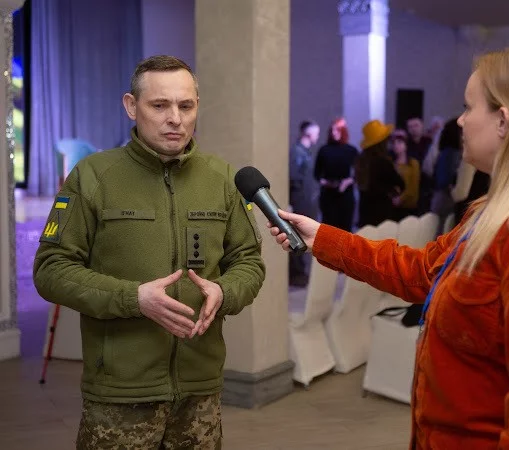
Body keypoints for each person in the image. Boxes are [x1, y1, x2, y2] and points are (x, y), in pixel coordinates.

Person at [268, 45, 509, 448]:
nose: (460, 120)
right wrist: (321, 237)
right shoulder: (494, 211)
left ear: (503, 121)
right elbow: (422, 272)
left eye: (468, 107)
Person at [33, 55, 266, 449]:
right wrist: (133, 298)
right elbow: (51, 270)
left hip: (200, 391)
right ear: (131, 106)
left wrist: (225, 291)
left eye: (186, 106)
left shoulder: (223, 179)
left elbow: (249, 262)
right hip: (119, 394)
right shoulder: (92, 176)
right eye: (160, 105)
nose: (175, 118)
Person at [355, 119, 406, 227]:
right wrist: (393, 192)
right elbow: (401, 184)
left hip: (365, 214)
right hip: (382, 215)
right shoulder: (383, 162)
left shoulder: (361, 161)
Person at [289, 119, 320, 286]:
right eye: (316, 133)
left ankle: (300, 271)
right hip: (300, 201)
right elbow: (294, 177)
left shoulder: (306, 152)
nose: (318, 136)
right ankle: (297, 273)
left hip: (306, 201)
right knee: (297, 236)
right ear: (308, 133)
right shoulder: (297, 153)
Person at [313, 117, 359, 232]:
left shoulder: (351, 150)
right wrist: (325, 182)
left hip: (345, 195)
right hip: (328, 195)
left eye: (337, 130)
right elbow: (317, 173)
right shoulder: (324, 150)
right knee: (329, 229)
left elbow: (360, 173)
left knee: (345, 229)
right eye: (332, 130)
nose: (334, 133)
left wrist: (348, 181)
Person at [390, 129, 420, 220]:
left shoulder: (413, 163)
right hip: (393, 206)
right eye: (394, 143)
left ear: (406, 145)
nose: (396, 146)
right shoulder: (391, 164)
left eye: (399, 142)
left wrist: (401, 199)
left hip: (409, 206)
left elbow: (413, 186)